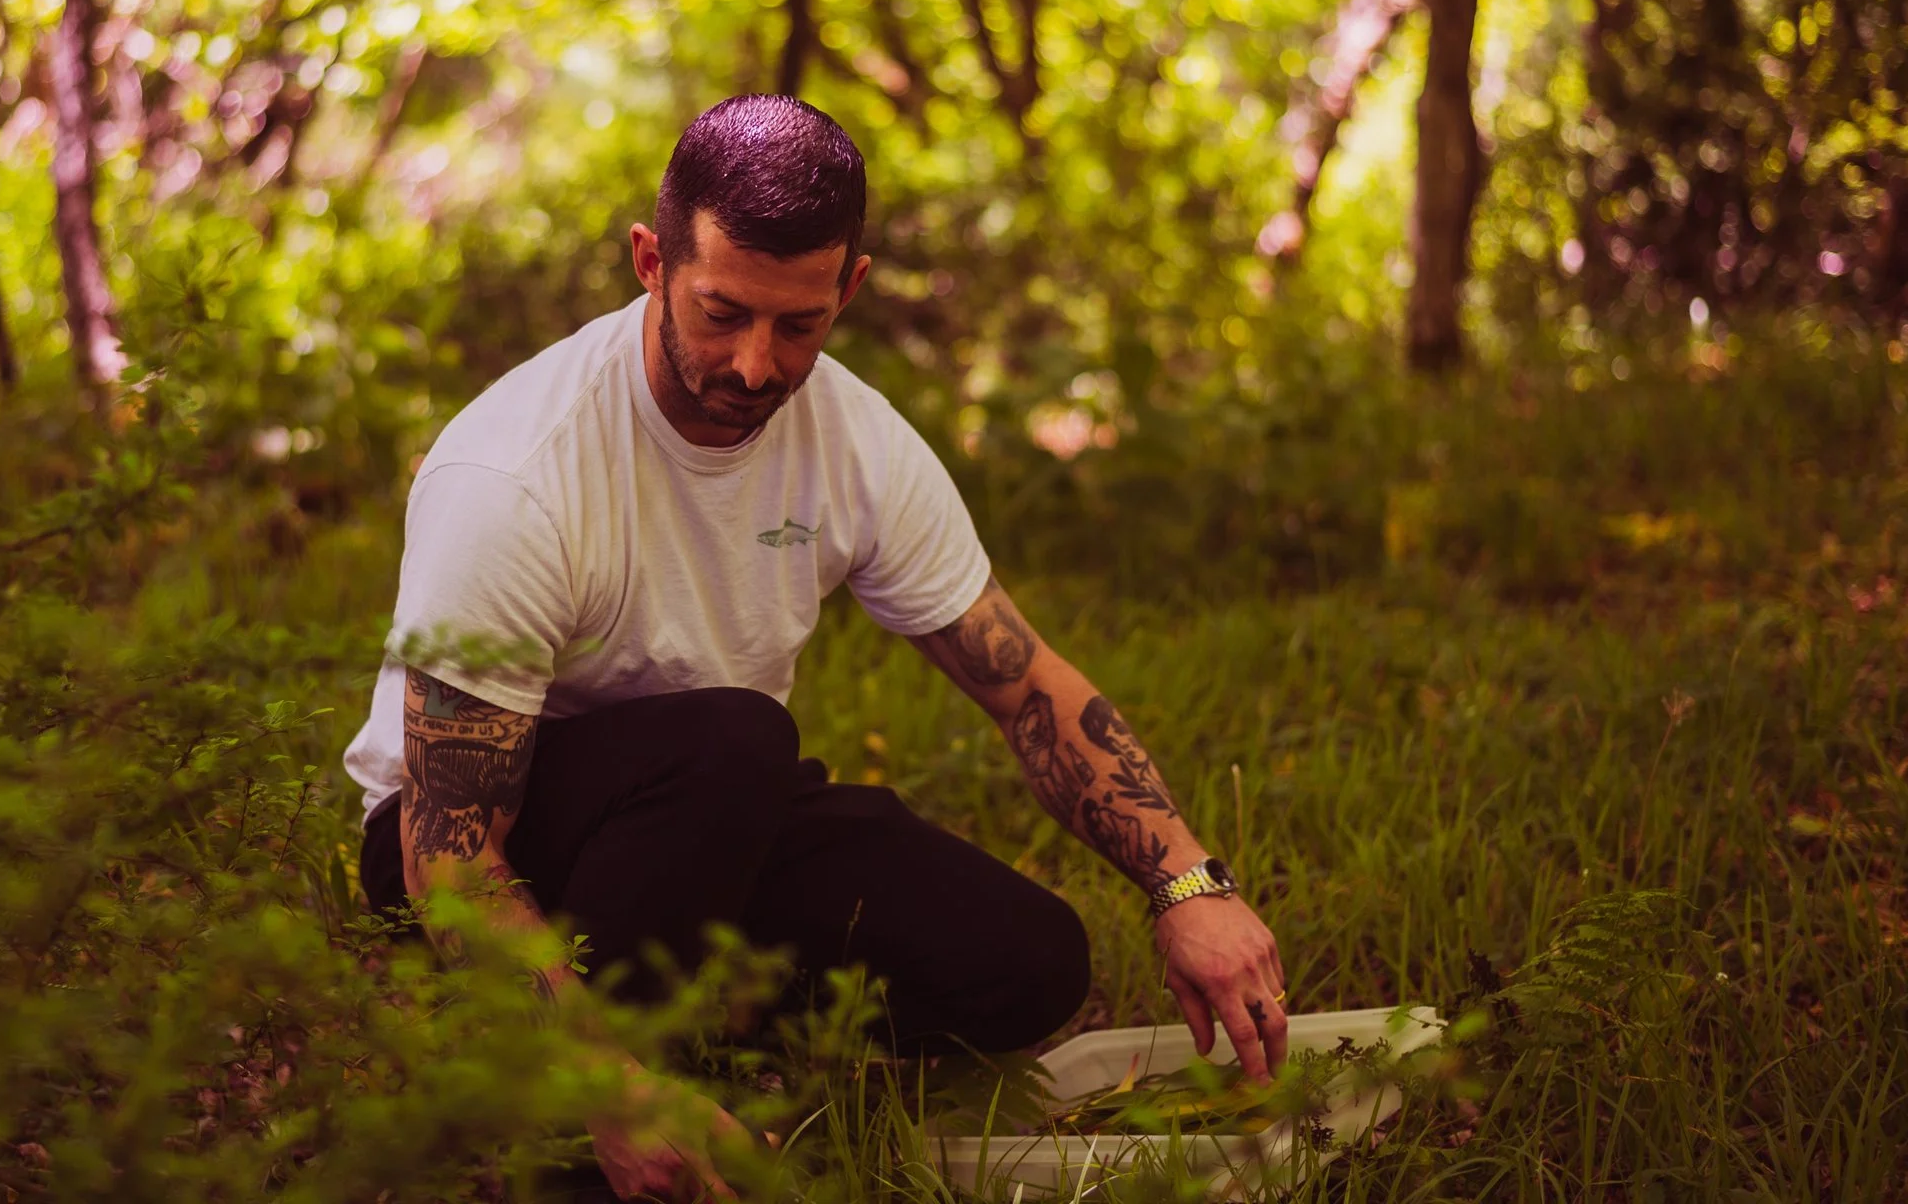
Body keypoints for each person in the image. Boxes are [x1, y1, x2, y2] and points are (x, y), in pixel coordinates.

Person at [345, 94, 1288, 1201]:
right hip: (476, 848)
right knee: (735, 740)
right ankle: (568, 1113)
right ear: (650, 260)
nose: (755, 364)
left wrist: (1187, 881)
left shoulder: (855, 438)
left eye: (798, 324)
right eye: (722, 312)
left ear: (849, 286)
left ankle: (699, 1052)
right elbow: (444, 854)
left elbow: (1023, 681)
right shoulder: (512, 474)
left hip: (711, 818)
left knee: (1027, 960)